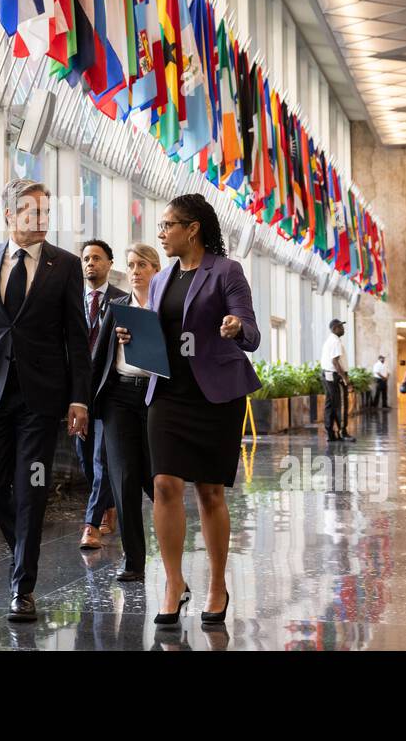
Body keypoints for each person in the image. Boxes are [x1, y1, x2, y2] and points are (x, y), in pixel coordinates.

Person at [0, 178, 91, 623]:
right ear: (9, 215)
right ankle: (23, 548)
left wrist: (79, 399)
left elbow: (77, 338)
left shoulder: (64, 265)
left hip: (42, 397)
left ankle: (22, 588)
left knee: (32, 489)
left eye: (46, 212)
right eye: (31, 212)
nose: (41, 219)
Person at [115, 194, 260, 628]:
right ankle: (174, 582)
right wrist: (132, 334)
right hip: (169, 393)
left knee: (210, 492)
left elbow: (250, 332)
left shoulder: (226, 271)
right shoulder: (160, 281)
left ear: (192, 228)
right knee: (163, 485)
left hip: (215, 395)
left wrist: (235, 328)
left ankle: (217, 584)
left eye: (167, 226)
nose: (160, 234)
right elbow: (158, 333)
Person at [90, 242, 160, 582]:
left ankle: (173, 553)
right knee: (124, 479)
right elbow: (98, 358)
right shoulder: (116, 307)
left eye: (143, 265)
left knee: (157, 482)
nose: (135, 271)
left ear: (155, 270)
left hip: (155, 398)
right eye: (131, 265)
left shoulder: (167, 309)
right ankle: (134, 561)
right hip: (119, 397)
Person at [76, 239, 124, 550]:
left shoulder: (123, 300)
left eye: (96, 258)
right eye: (86, 259)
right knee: (84, 457)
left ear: (109, 264)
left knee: (101, 458)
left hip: (109, 391)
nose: (90, 263)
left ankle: (91, 525)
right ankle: (108, 506)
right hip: (78, 392)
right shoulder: (70, 299)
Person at [320, 319, 354, 442]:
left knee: (330, 404)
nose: (343, 329)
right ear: (335, 328)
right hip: (335, 376)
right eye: (341, 327)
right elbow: (335, 362)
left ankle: (330, 433)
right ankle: (342, 432)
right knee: (340, 404)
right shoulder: (335, 342)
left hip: (327, 375)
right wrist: (346, 380)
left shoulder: (330, 340)